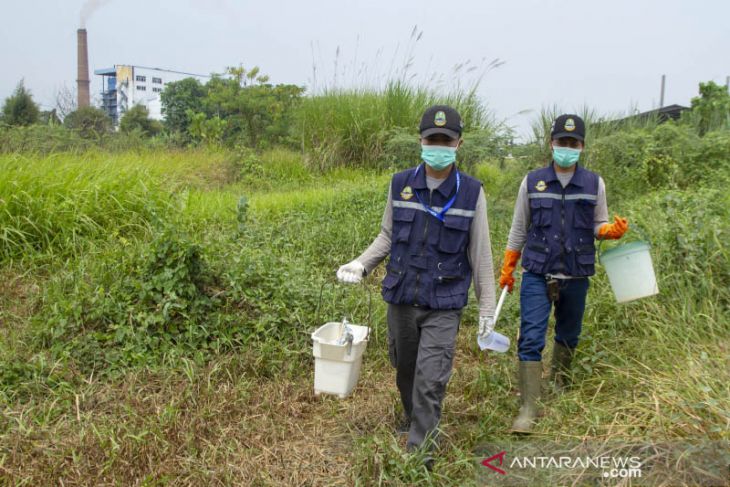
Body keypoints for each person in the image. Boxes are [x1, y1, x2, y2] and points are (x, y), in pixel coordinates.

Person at [336, 105, 496, 469]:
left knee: (430, 378)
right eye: (431, 139)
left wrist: (486, 310)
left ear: (459, 143)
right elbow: (388, 235)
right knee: (406, 370)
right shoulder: (401, 184)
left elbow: (481, 253)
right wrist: (361, 263)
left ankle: (420, 454)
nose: (438, 145)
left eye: (446, 140)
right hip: (403, 297)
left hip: (444, 302)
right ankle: (413, 419)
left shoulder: (472, 193)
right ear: (420, 141)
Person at [498, 114, 629, 433]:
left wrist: (608, 230)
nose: (567, 148)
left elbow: (597, 222)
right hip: (537, 273)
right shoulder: (532, 181)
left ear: (582, 146)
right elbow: (519, 228)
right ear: (551, 143)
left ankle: (559, 384)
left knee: (568, 335)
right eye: (562, 142)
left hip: (576, 274)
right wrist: (508, 267)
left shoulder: (594, 183)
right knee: (530, 339)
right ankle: (528, 408)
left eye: (573, 143)